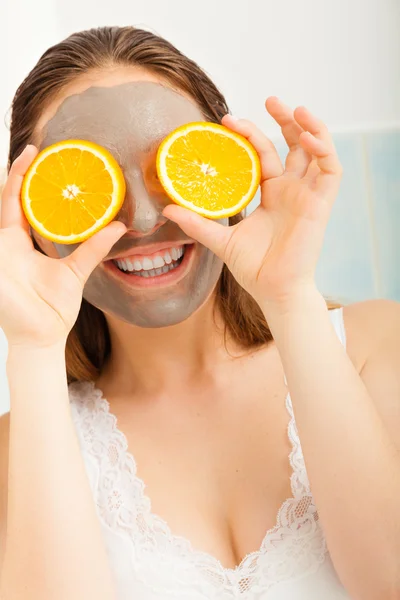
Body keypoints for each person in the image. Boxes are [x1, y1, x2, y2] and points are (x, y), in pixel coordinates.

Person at [0, 25, 399, 600]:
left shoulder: (377, 347)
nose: (140, 221)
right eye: (92, 182)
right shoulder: (23, 446)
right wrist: (33, 348)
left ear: (224, 169)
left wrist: (288, 299)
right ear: (34, 213)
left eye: (169, 168)